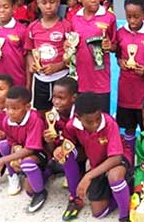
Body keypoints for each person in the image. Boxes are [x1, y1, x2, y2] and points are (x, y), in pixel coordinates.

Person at [54, 93, 133, 221]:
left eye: (98, 118)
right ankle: (75, 199)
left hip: (118, 159)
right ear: (78, 117)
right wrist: (58, 149)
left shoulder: (109, 123)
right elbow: (67, 143)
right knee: (98, 213)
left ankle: (125, 215)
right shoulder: (72, 125)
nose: (96, 124)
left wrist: (88, 176)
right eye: (90, 122)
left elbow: (116, 158)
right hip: (97, 164)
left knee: (114, 176)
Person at [0, 87, 49, 212]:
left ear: (27, 107)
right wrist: (13, 161)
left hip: (40, 152)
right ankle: (13, 175)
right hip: (23, 149)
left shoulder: (35, 119)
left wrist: (1, 161)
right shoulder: (7, 121)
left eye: (15, 108)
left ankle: (41, 192)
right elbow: (12, 143)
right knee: (3, 145)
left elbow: (31, 149)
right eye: (7, 108)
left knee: (30, 189)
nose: (10, 112)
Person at [70, 0, 116, 113]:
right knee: (84, 118)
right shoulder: (74, 18)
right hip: (81, 80)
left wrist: (110, 46)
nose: (94, 0)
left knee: (101, 118)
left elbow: (116, 46)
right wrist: (68, 45)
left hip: (101, 80)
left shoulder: (109, 18)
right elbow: (71, 44)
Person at [26, 0, 70, 114]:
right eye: (44, 2)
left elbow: (73, 55)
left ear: (58, 2)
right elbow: (29, 52)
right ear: (37, 3)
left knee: (64, 112)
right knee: (42, 113)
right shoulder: (32, 27)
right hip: (41, 80)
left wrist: (59, 66)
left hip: (62, 78)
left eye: (52, 2)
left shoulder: (66, 26)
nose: (48, 6)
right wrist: (31, 64)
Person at [115, 0, 144, 150]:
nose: (132, 20)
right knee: (128, 127)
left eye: (136, 16)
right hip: (126, 91)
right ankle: (129, 158)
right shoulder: (120, 33)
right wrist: (121, 62)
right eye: (129, 16)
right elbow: (117, 54)